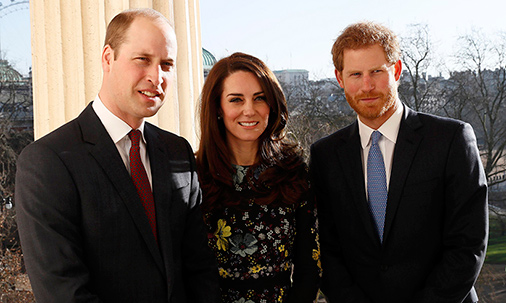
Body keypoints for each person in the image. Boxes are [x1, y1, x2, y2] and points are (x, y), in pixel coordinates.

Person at [15, 8, 219, 303]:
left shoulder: (178, 152)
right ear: (107, 58)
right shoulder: (48, 161)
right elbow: (62, 291)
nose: (156, 77)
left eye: (166, 64)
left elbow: (200, 268)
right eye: (143, 60)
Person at [310, 22, 488, 303]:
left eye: (376, 71)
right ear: (340, 78)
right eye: (355, 74)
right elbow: (326, 250)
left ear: (396, 70)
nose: (366, 85)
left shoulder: (451, 139)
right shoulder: (325, 155)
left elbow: (468, 243)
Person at [195, 52, 320, 302]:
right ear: (218, 108)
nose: (249, 111)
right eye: (236, 100)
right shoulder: (194, 176)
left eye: (259, 98)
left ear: (271, 105)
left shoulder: (295, 173)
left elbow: (310, 267)